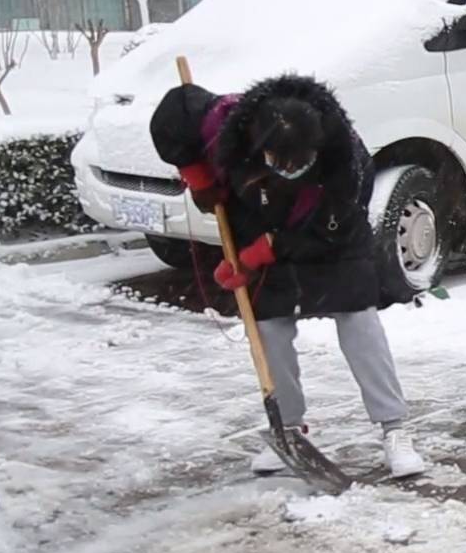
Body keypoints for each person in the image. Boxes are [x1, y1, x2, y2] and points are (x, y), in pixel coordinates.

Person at [150, 74, 426, 479]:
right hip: (268, 230)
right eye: (279, 162)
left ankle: (394, 429)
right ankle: (287, 428)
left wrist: (264, 250)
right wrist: (202, 183)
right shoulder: (235, 131)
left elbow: (337, 226)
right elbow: (180, 115)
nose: (289, 170)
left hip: (332, 242)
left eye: (298, 163)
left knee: (358, 322)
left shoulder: (345, 161)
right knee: (269, 330)